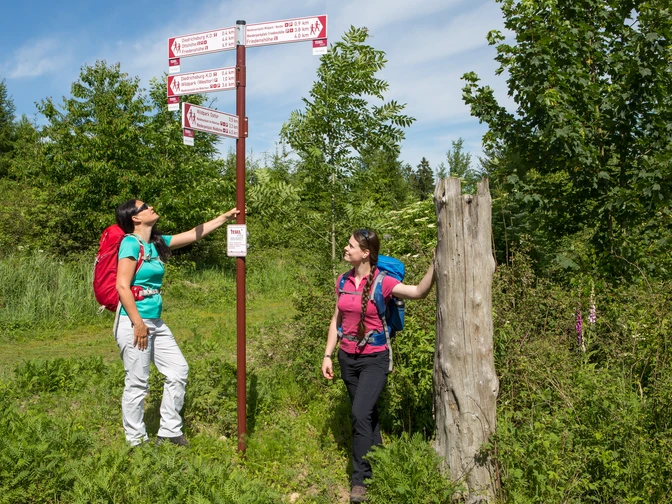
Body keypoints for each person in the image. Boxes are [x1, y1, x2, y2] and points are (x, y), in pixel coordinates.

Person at [321, 229, 435, 503]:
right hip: (347, 358)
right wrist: (327, 354)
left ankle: (359, 480)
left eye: (350, 246)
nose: (345, 249)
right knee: (366, 414)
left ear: (366, 253)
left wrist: (435, 264)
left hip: (375, 358)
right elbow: (336, 320)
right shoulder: (343, 280)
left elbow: (418, 292)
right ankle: (379, 458)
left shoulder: (383, 282)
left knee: (359, 413)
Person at [114, 199, 239, 447]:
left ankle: (169, 431)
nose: (151, 207)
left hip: (155, 322)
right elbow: (121, 286)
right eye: (144, 207)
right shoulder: (130, 243)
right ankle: (135, 441)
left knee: (178, 370)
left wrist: (224, 218)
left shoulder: (157, 243)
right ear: (135, 218)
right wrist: (138, 323)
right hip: (133, 321)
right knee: (138, 382)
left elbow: (194, 235)